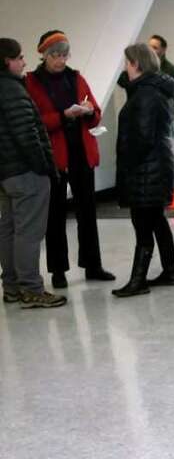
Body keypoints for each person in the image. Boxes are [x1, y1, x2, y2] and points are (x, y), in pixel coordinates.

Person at [25, 31, 114, 288]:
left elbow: (95, 113)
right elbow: (35, 121)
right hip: (54, 156)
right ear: (44, 55)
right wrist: (63, 116)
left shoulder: (76, 78)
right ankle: (58, 270)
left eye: (65, 56)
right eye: (56, 56)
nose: (61, 61)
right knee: (55, 214)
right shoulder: (32, 82)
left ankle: (93, 265)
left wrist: (87, 112)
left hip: (81, 153)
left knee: (88, 211)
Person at [0, 38, 64, 309]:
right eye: (20, 57)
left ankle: (12, 287)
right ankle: (31, 289)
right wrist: (44, 167)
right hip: (26, 173)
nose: (24, 62)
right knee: (28, 232)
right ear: (7, 61)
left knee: (9, 229)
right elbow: (27, 133)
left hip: (5, 174)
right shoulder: (12, 89)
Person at [112, 43, 174, 298]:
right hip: (157, 165)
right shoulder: (153, 89)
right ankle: (170, 271)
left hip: (146, 169)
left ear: (137, 65)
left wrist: (127, 165)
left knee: (142, 225)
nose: (125, 67)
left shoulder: (146, 95)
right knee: (157, 221)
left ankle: (138, 280)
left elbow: (142, 138)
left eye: (127, 63)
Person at [116, 34, 174, 116]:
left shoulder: (172, 71)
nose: (150, 50)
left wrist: (163, 104)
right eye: (149, 46)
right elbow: (122, 79)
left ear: (163, 50)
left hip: (158, 115)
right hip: (136, 110)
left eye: (155, 47)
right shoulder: (141, 64)